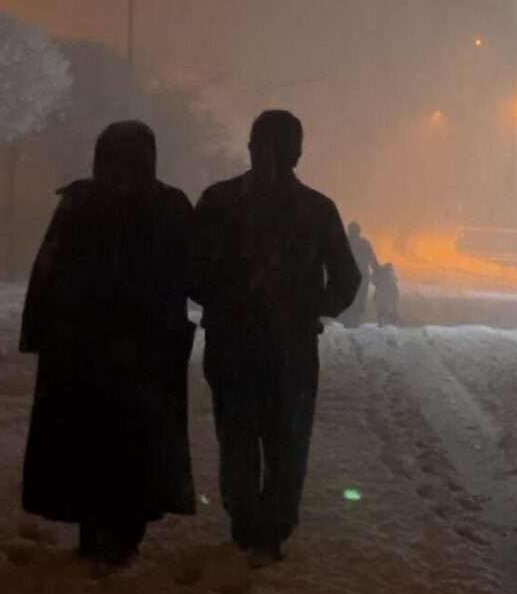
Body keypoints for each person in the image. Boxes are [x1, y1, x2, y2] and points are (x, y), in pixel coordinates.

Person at [19, 121, 197, 567]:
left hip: (80, 348)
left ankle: (92, 526)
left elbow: (47, 269)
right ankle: (123, 531)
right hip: (145, 352)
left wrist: (38, 330)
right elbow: (189, 271)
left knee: (85, 438)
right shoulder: (168, 206)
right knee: (135, 444)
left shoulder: (81, 202)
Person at [191, 110, 361, 561]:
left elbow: (189, 269)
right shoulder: (318, 210)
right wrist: (311, 309)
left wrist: (224, 302)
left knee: (238, 437)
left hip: (231, 343)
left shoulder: (218, 201)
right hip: (291, 348)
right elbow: (346, 278)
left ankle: (244, 521)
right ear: (298, 153)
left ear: (250, 146)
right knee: (288, 440)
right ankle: (273, 527)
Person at [340, 221, 380, 328]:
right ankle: (353, 320)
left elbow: (372, 258)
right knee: (358, 299)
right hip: (357, 277)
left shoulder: (344, 242)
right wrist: (377, 269)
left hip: (351, 277)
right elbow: (372, 259)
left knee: (353, 299)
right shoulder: (361, 243)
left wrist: (377, 269)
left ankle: (350, 320)